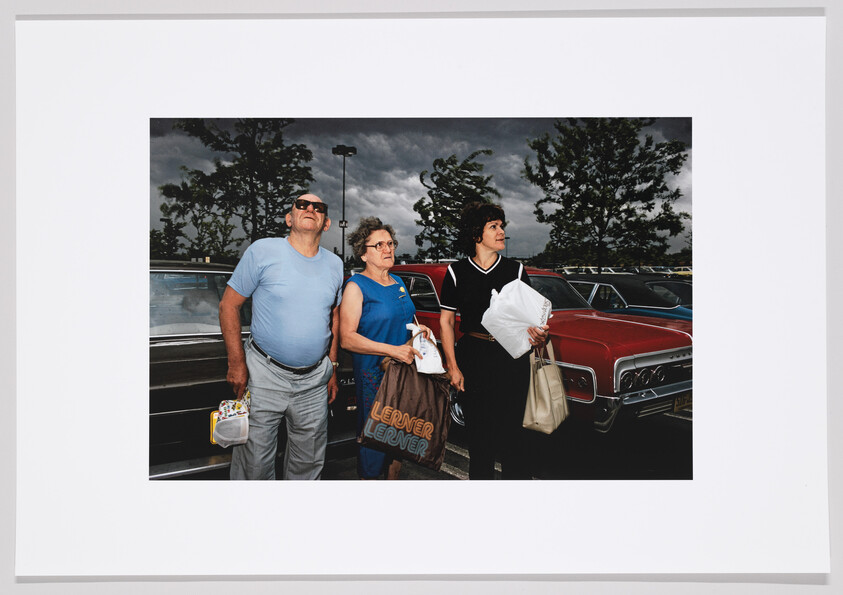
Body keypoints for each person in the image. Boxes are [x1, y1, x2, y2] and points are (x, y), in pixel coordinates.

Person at [219, 194, 344, 480]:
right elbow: (229, 305)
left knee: (308, 465)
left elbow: (334, 316)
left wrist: (333, 368)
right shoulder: (263, 251)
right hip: (264, 375)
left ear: (326, 224)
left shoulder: (335, 265)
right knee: (255, 467)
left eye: (319, 208)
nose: (310, 209)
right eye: (302, 205)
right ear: (290, 219)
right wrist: (237, 364)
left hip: (314, 381)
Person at [439, 202, 548, 480]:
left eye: (502, 226)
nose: (501, 232)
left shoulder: (516, 270)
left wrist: (539, 335)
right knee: (481, 444)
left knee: (515, 442)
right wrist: (453, 367)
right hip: (473, 360)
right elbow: (447, 322)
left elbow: (533, 319)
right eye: (494, 226)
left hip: (511, 359)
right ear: (477, 234)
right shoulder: (456, 273)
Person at [339, 217, 431, 480]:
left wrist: (420, 332)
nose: (388, 249)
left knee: (398, 439)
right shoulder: (356, 287)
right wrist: (392, 350)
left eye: (390, 243)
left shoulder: (399, 282)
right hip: (374, 376)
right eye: (378, 245)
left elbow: (405, 322)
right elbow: (347, 338)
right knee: (375, 441)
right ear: (363, 253)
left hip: (403, 374)